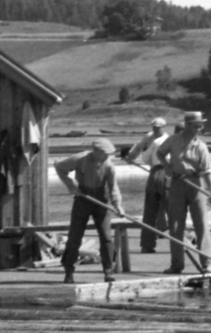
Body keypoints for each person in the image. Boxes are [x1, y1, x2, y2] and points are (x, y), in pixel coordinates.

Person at [155, 111, 211, 274]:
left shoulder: (201, 146)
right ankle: (176, 264)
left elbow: (208, 170)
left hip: (196, 184)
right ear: (188, 125)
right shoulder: (173, 140)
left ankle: (208, 264)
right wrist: (168, 166)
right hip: (177, 183)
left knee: (201, 224)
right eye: (196, 126)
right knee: (176, 225)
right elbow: (160, 153)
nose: (199, 129)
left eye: (200, 126)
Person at [55, 137, 123, 284]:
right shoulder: (81, 158)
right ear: (96, 151)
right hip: (82, 198)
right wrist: (71, 186)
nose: (107, 156)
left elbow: (113, 188)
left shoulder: (109, 166)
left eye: (109, 153)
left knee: (106, 237)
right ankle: (68, 271)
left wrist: (118, 205)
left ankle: (108, 271)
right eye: (105, 153)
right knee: (75, 237)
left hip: (101, 200)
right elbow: (59, 167)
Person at [125, 117, 170, 253]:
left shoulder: (165, 140)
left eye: (158, 127)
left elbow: (145, 156)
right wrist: (130, 157)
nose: (155, 129)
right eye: (154, 127)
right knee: (150, 210)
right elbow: (139, 147)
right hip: (155, 171)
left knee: (171, 209)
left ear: (163, 127)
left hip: (164, 171)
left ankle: (180, 243)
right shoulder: (149, 136)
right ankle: (147, 244)